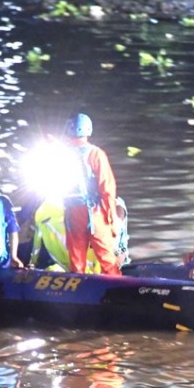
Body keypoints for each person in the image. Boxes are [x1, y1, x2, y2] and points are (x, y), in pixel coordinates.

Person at [61, 113, 122, 276]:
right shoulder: (96, 154)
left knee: (77, 261)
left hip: (72, 212)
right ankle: (116, 291)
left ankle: (78, 291)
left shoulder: (61, 154)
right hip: (95, 212)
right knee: (107, 259)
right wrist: (112, 217)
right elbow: (107, 188)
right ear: (88, 130)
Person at [23, 194, 130, 272]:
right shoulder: (51, 209)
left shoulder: (115, 205)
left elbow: (117, 223)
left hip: (108, 259)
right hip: (68, 261)